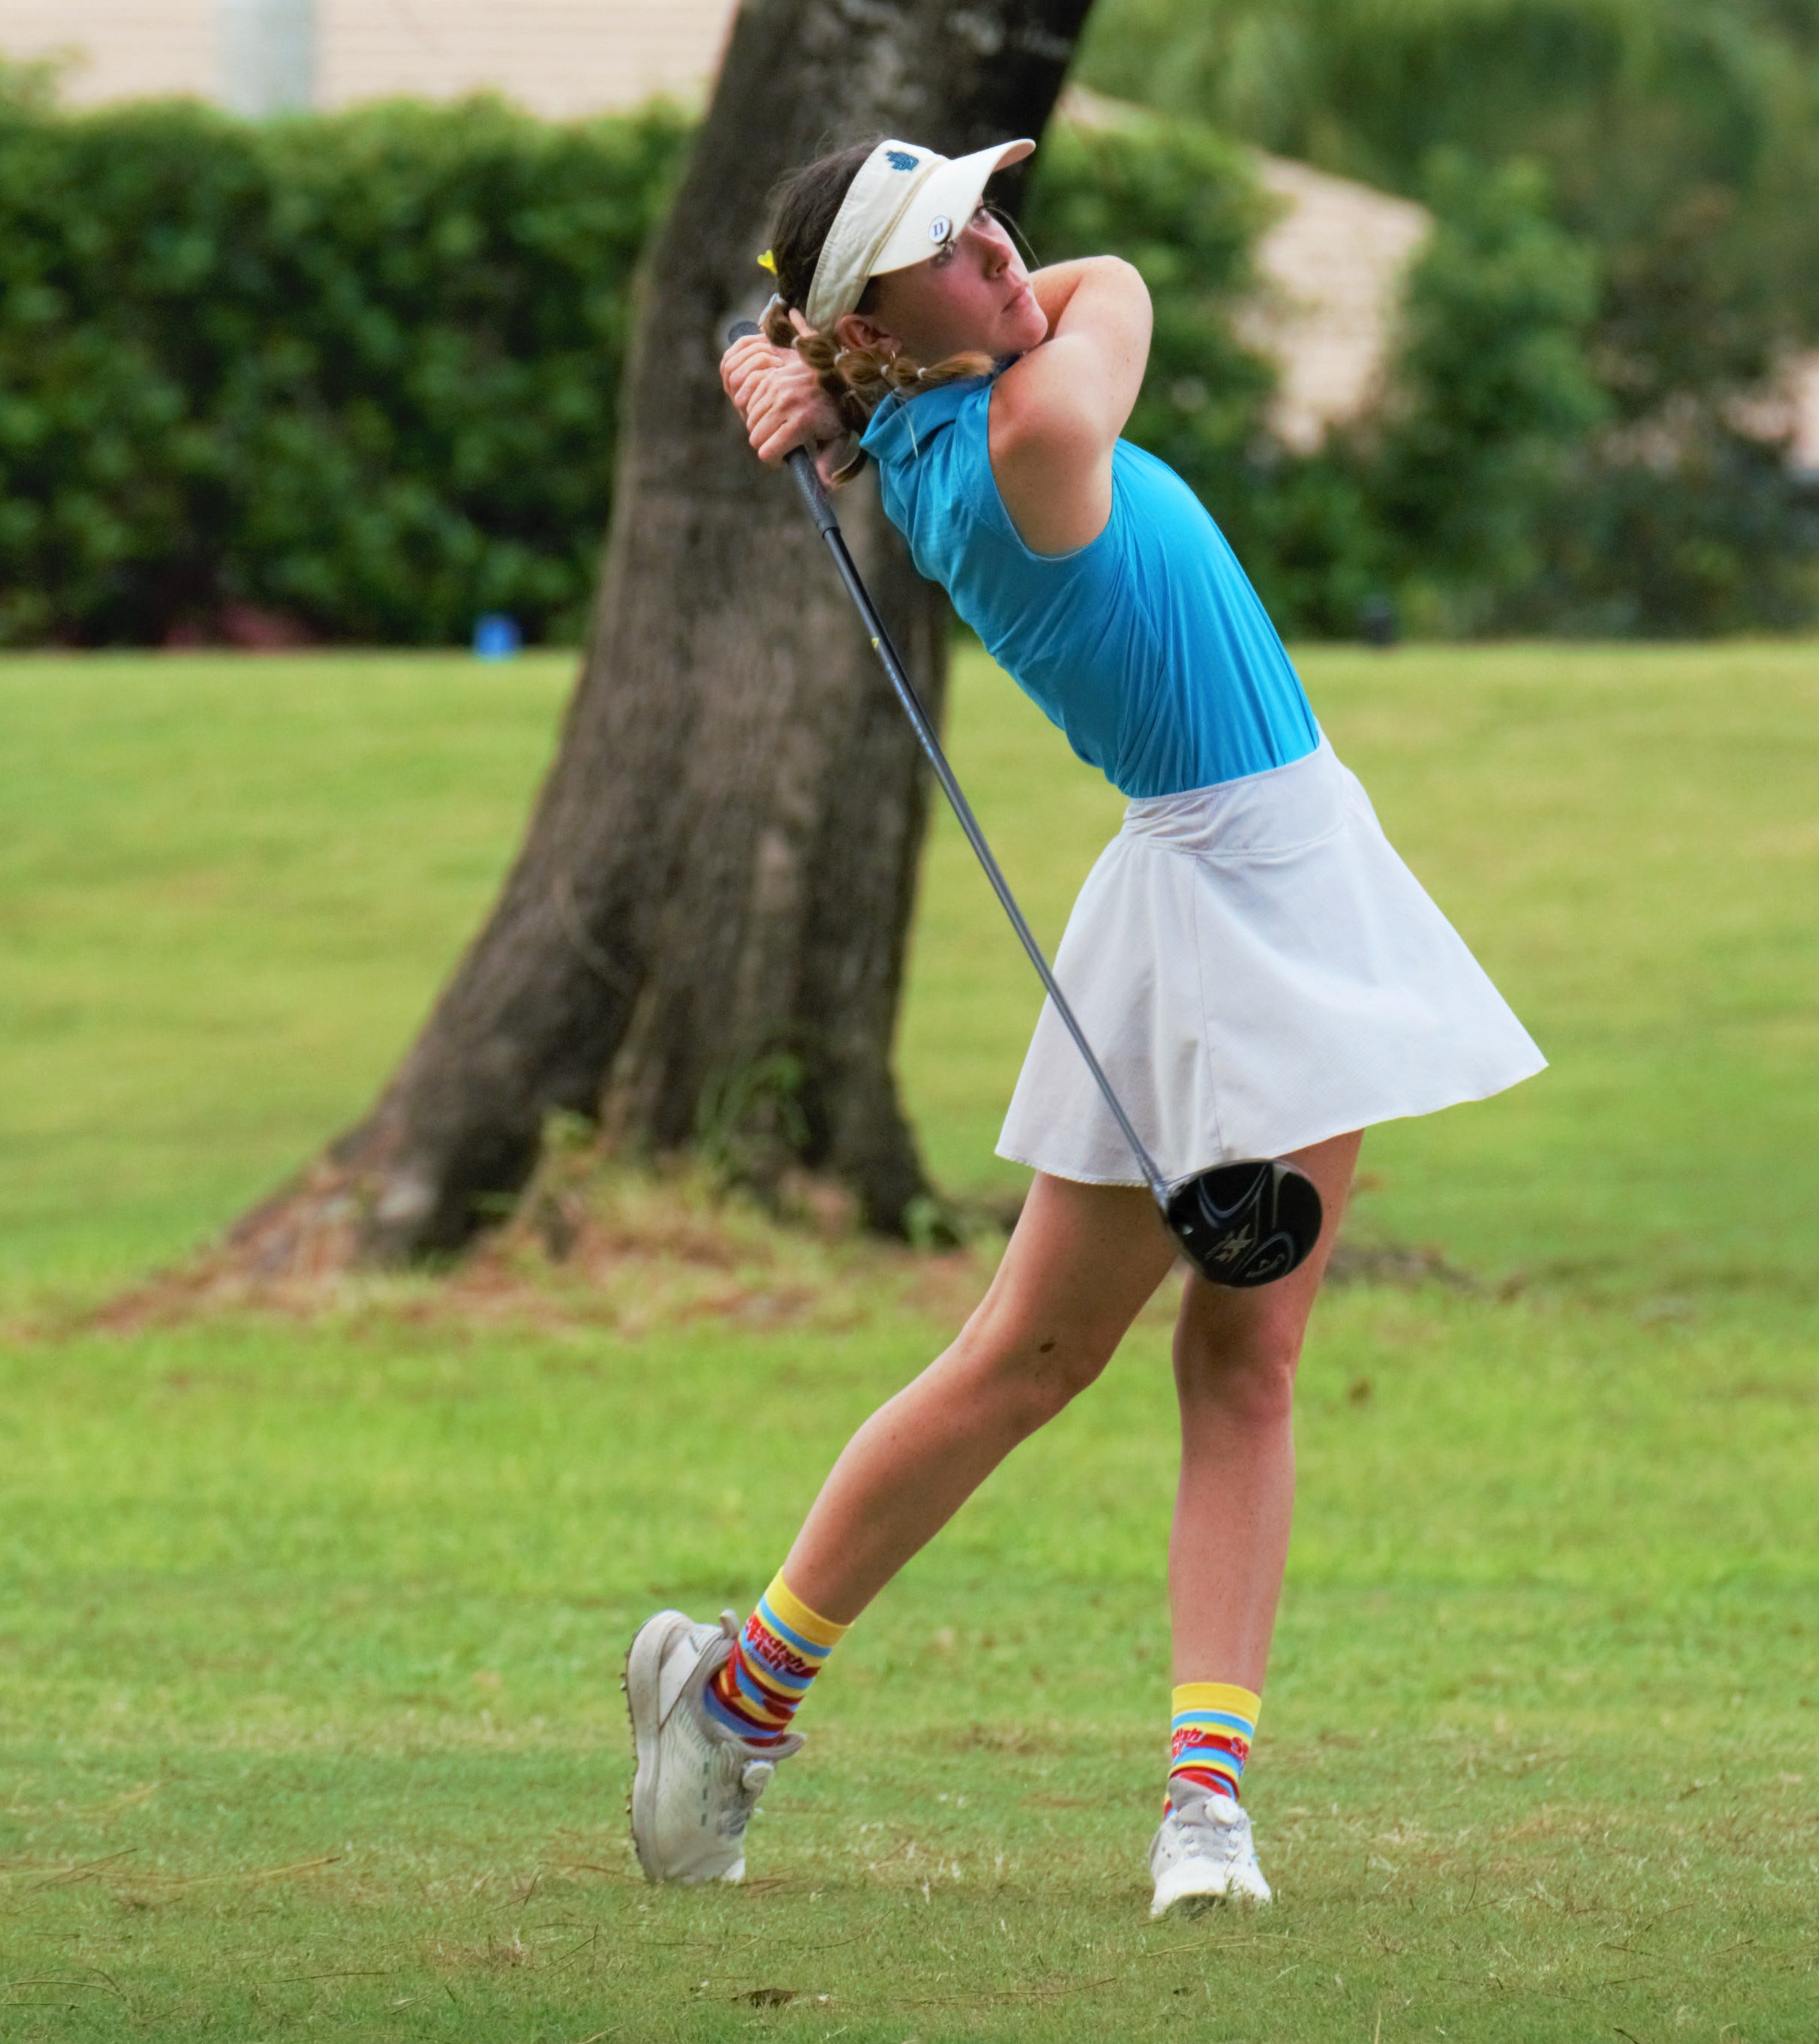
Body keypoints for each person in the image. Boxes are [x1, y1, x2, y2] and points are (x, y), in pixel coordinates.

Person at [625, 134, 1544, 1918]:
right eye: (938, 245)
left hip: (1279, 869)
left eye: (977, 207)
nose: (992, 240)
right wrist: (819, 367)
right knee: (1029, 1358)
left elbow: (1011, 305)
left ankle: (1204, 1806)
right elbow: (1115, 287)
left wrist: (814, 371)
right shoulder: (1035, 435)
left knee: (1243, 1357)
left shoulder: (923, 413)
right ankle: (731, 1696)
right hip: (1221, 896)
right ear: (880, 325)